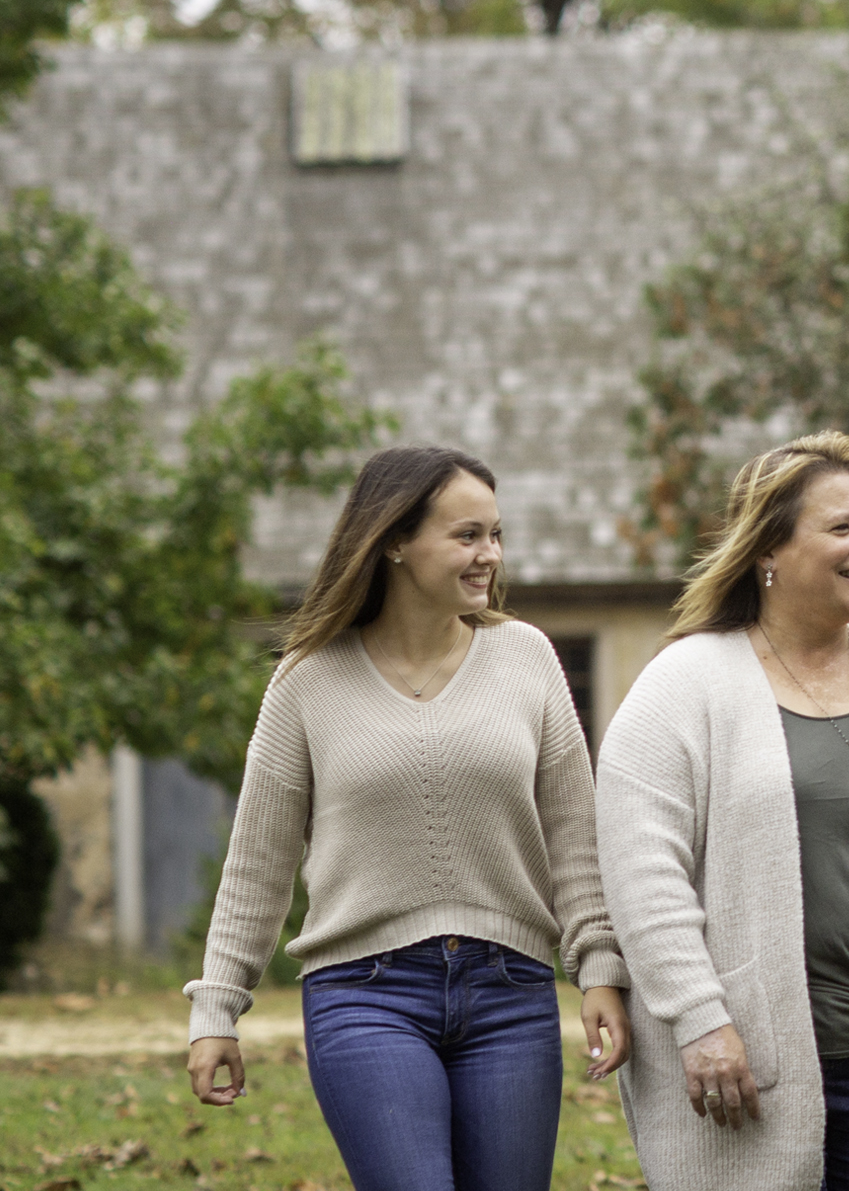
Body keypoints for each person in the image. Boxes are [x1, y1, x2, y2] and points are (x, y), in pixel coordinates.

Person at [184, 446, 630, 1191]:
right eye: (467, 535)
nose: (490, 555)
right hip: (365, 995)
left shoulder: (527, 658)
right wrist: (216, 1010)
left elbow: (575, 840)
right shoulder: (307, 679)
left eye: (496, 534)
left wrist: (601, 970)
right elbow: (258, 863)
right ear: (394, 540)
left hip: (511, 992)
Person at [594, 433, 849, 1191]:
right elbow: (643, 875)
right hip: (748, 1065)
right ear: (768, 548)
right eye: (841, 527)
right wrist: (700, 1018)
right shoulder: (683, 686)